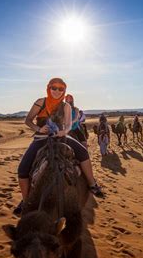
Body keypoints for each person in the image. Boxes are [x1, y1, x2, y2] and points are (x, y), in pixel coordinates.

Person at [15, 78, 103, 215]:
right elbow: (27, 120)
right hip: (41, 138)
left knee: (83, 153)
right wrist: (38, 128)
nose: (57, 91)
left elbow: (68, 124)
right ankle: (26, 201)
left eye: (60, 89)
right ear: (48, 88)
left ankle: (92, 184)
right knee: (22, 169)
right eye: (54, 88)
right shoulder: (41, 102)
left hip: (61, 137)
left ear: (64, 91)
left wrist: (64, 132)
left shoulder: (66, 106)